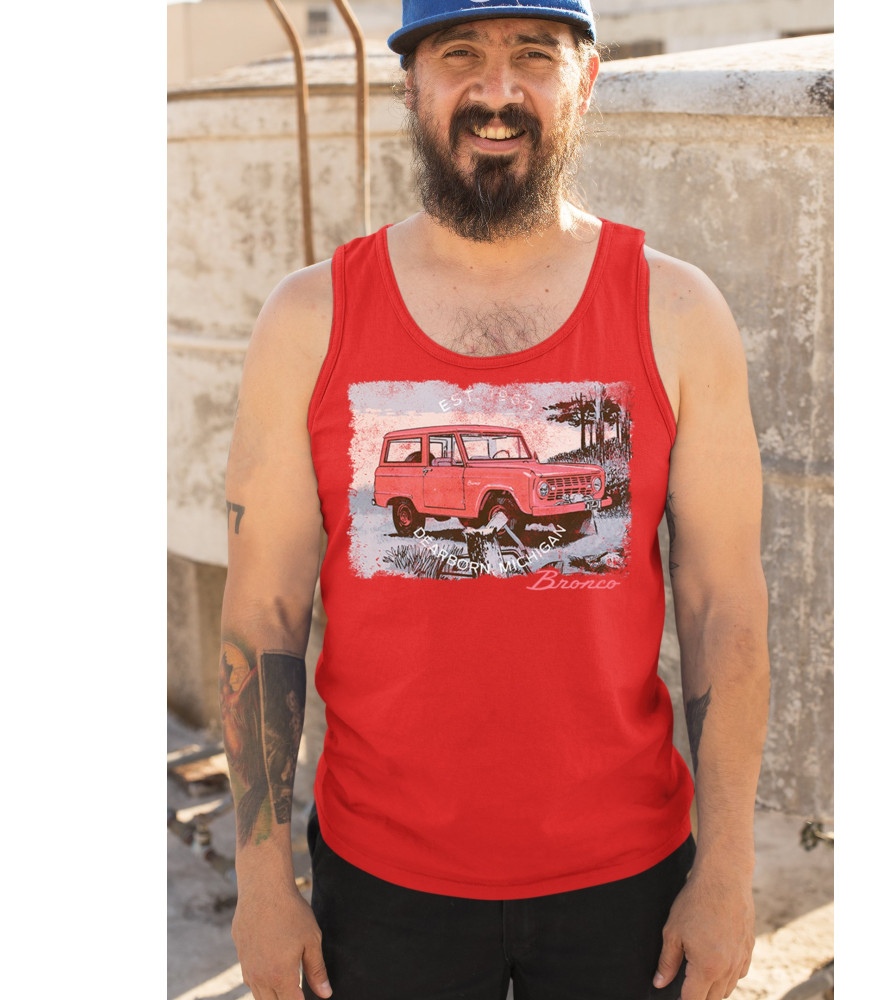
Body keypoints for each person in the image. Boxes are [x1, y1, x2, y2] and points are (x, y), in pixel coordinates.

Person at [219, 0, 770, 997]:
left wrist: (727, 870)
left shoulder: (677, 310)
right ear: (412, 84)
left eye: (533, 55)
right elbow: (263, 613)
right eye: (460, 53)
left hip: (629, 878)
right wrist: (261, 883)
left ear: (586, 79)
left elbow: (723, 605)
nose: (497, 90)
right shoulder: (308, 319)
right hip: (381, 883)